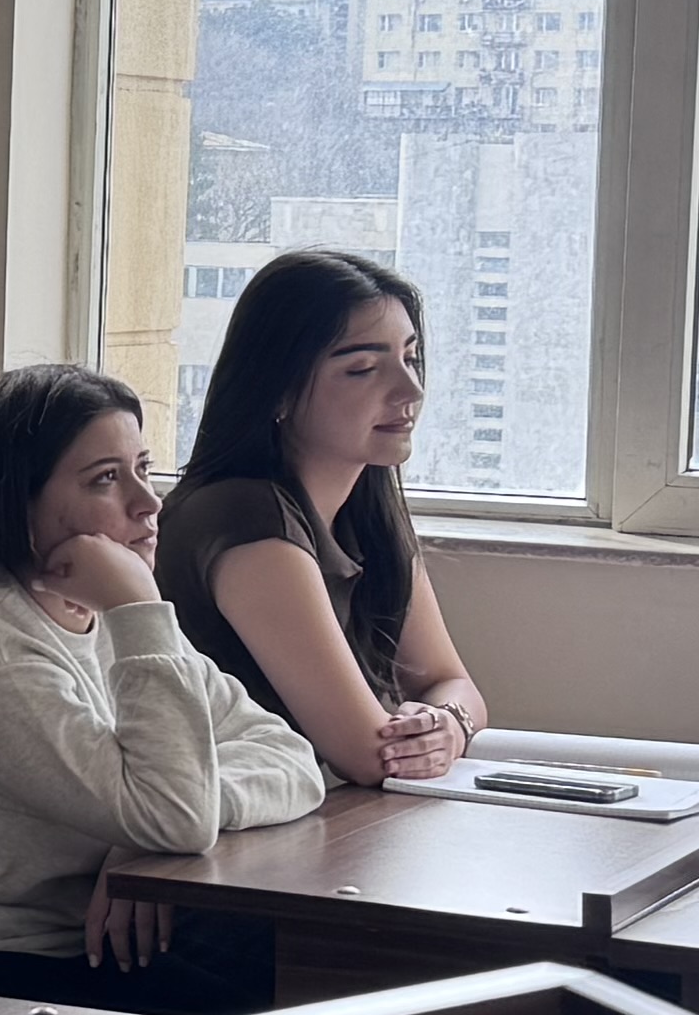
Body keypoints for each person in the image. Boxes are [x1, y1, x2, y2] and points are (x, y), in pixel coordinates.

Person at [0, 364, 320, 1012]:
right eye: (106, 479)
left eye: (143, 467)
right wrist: (139, 613)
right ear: (18, 503)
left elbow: (289, 758)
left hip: (49, 944)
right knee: (290, 1009)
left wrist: (145, 828)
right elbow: (177, 815)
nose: (149, 502)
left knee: (309, 977)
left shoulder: (100, 615)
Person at [158, 249, 493, 786]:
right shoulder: (244, 518)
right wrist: (429, 734)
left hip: (324, 818)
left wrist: (448, 724)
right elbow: (368, 754)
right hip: (235, 826)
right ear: (278, 391)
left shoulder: (368, 507)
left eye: (411, 358)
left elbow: (451, 682)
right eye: (363, 369)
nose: (411, 391)